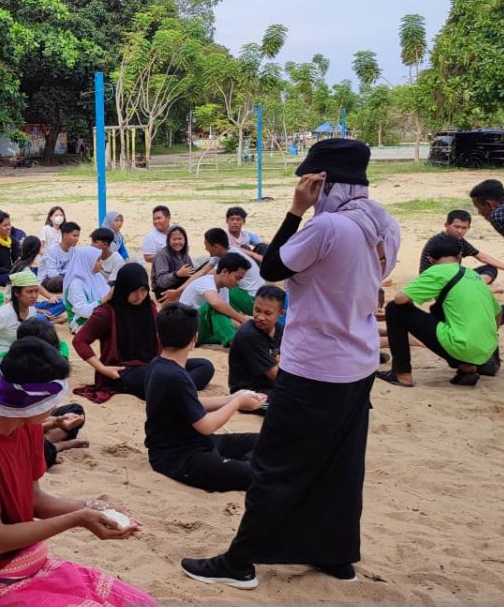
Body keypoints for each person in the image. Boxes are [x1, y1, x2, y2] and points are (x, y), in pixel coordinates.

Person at [182, 138, 400, 590]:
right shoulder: (383, 223)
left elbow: (277, 267)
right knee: (341, 463)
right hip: (357, 363)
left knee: (275, 464)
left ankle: (240, 562)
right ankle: (336, 554)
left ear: (322, 181)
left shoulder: (328, 227)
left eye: (309, 181)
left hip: (315, 364)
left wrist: (295, 209)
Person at [0, 338, 156, 607]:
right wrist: (77, 519)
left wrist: (92, 506)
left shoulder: (27, 427)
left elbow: (35, 500)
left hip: (34, 561)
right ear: (33, 401)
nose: (56, 408)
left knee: (140, 603)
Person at [145, 303, 265, 493]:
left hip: (195, 443)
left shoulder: (159, 365)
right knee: (261, 473)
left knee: (263, 441)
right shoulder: (174, 375)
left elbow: (190, 403)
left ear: (159, 336)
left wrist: (232, 397)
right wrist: (237, 403)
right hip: (179, 457)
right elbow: (206, 425)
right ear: (194, 338)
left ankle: (236, 464)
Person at [73, 263, 214, 403]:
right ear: (124, 288)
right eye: (134, 291)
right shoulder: (106, 312)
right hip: (124, 369)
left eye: (143, 290)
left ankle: (174, 391)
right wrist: (103, 369)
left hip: (153, 364)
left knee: (204, 366)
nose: (140, 295)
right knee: (158, 378)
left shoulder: (149, 307)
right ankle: (177, 391)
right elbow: (79, 341)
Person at [378, 235, 500, 388]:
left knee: (394, 309)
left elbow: (400, 299)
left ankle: (402, 374)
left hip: (461, 346)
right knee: (438, 309)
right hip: (486, 350)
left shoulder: (437, 271)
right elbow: (498, 313)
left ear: (430, 259)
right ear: (460, 256)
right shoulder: (474, 275)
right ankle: (467, 368)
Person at [0, 320, 88, 467]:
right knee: (39, 450)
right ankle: (56, 446)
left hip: (18, 424)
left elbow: (27, 417)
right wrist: (54, 422)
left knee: (75, 410)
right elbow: (15, 424)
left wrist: (56, 420)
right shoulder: (0, 377)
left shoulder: (27, 372)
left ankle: (50, 442)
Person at [419, 209, 504, 288]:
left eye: (464, 228)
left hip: (452, 277)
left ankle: (476, 285)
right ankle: (476, 286)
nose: (459, 231)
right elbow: (440, 270)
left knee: (491, 268)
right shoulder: (439, 241)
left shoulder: (459, 241)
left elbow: (482, 256)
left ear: (468, 228)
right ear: (446, 225)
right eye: (456, 227)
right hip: (436, 279)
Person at [0, 271, 47, 364]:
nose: (34, 296)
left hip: (18, 352)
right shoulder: (4, 314)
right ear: (16, 293)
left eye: (36, 291)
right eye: (29, 292)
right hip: (2, 356)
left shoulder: (32, 310)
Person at [177, 252, 250, 346]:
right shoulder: (206, 282)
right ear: (224, 272)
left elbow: (225, 317)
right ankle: (235, 343)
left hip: (203, 330)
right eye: (237, 278)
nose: (238, 283)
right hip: (187, 330)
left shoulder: (224, 289)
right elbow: (215, 303)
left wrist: (244, 326)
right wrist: (242, 318)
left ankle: (238, 340)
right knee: (213, 306)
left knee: (241, 330)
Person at [228, 286, 285, 396]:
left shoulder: (281, 330)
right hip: (250, 394)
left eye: (268, 313)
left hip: (273, 388)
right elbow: (276, 376)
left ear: (281, 313)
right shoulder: (248, 335)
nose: (260, 317)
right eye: (257, 310)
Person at [203, 229, 265, 315]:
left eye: (206, 245)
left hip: (253, 301)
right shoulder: (232, 250)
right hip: (258, 296)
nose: (205, 248)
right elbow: (205, 271)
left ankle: (230, 316)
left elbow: (208, 277)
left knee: (222, 284)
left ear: (216, 247)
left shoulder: (229, 259)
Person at [63, 246, 110, 334]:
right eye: (98, 260)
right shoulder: (76, 284)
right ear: (88, 262)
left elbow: (107, 294)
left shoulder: (98, 276)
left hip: (97, 315)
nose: (101, 262)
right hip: (80, 322)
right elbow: (83, 311)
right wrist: (104, 300)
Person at [152, 226, 195, 300]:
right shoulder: (162, 255)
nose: (177, 242)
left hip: (180, 287)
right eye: (174, 239)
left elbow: (191, 274)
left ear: (185, 240)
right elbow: (161, 282)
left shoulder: (185, 255)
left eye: (180, 239)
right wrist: (177, 274)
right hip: (163, 291)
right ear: (168, 240)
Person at [37, 221, 78, 293]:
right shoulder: (52, 250)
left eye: (78, 236)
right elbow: (51, 273)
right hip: (48, 280)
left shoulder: (74, 250)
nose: (77, 239)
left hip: (66, 278)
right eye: (74, 236)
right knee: (59, 280)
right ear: (65, 235)